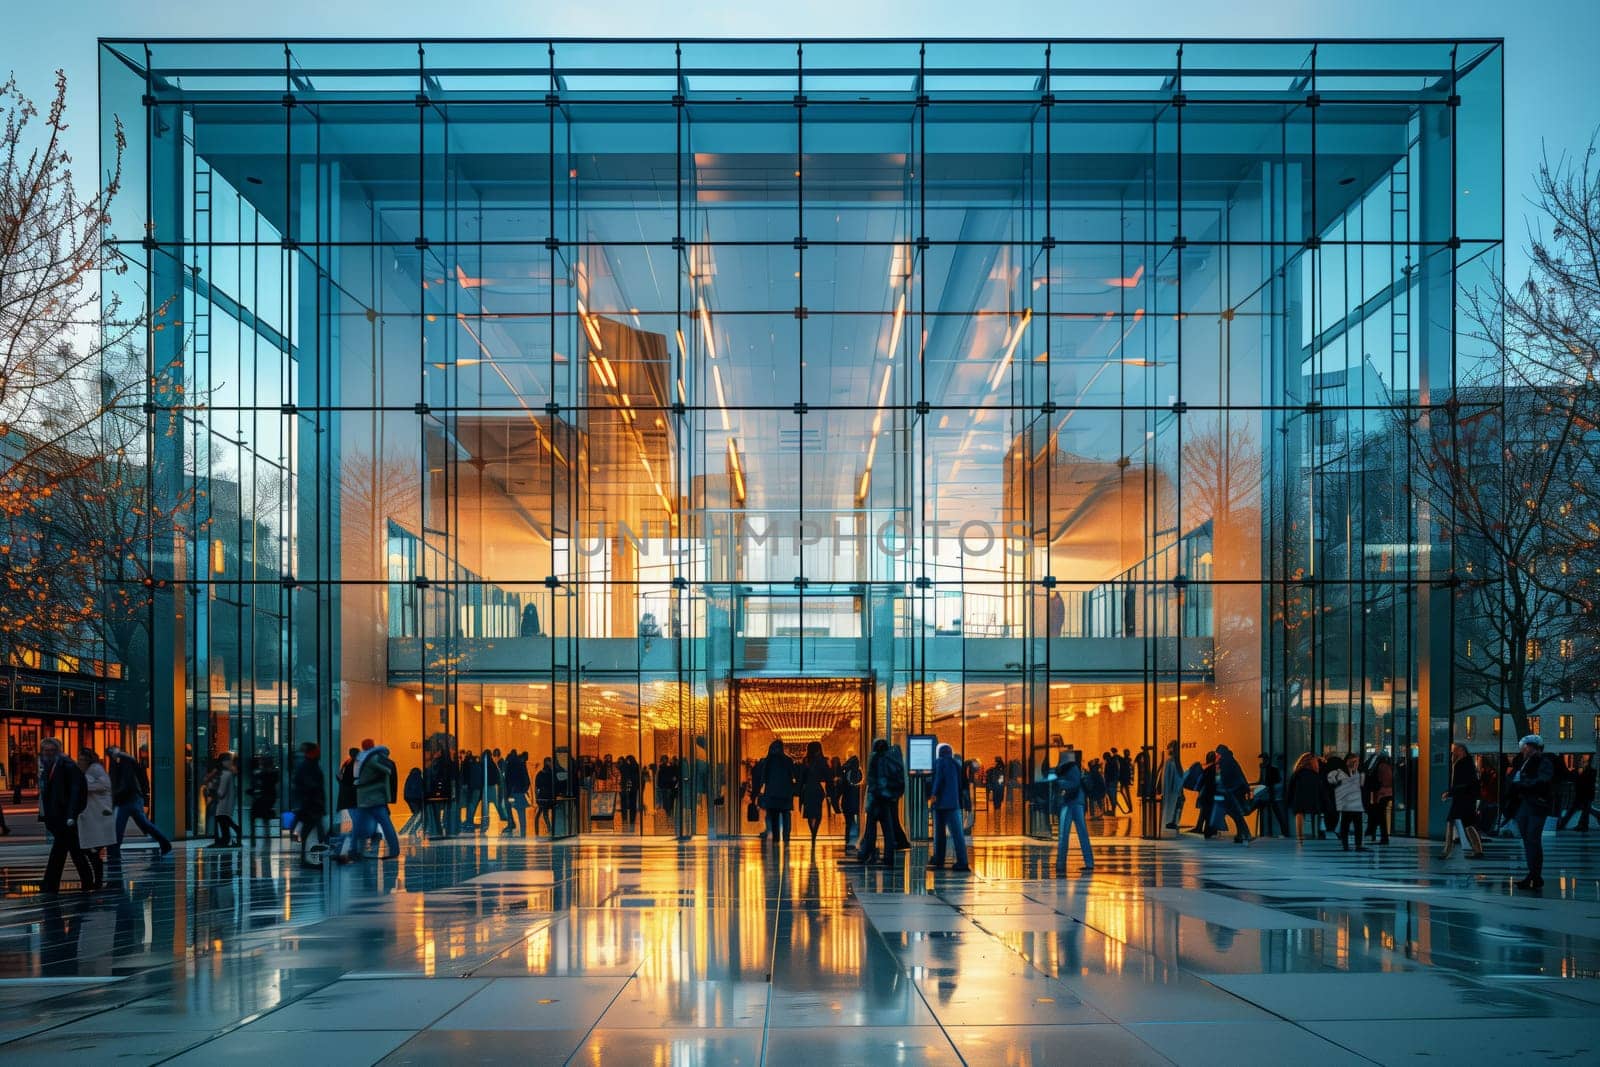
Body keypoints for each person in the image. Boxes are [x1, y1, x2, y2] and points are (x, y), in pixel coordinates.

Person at [38, 738, 95, 894]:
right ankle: (84, 880)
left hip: (64, 818)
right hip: (58, 817)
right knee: (69, 850)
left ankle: (51, 884)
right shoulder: (50, 766)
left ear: (58, 751)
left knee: (63, 851)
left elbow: (76, 792)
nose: (48, 753)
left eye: (51, 750)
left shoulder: (67, 765)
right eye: (45, 750)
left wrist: (71, 815)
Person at [106, 745, 173, 859]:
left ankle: (114, 851)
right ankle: (164, 843)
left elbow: (125, 783)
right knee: (142, 824)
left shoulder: (125, 763)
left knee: (122, 826)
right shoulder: (122, 764)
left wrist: (116, 797)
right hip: (130, 799)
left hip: (128, 799)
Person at [1506, 734, 1555, 890]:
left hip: (1536, 804)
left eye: (1525, 747)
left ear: (1533, 747)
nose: (1523, 750)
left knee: (1532, 839)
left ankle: (1534, 874)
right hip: (1526, 804)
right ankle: (1533, 874)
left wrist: (1522, 784)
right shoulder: (1525, 762)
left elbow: (1543, 780)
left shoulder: (1543, 761)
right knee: (1529, 840)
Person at [340, 740, 399, 862]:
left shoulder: (372, 758)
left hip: (370, 798)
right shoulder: (371, 757)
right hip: (370, 798)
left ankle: (353, 851)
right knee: (382, 823)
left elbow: (387, 771)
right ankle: (393, 850)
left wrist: (362, 782)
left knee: (365, 824)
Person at [855, 738, 905, 867]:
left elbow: (874, 780)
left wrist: (874, 794)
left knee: (871, 829)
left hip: (877, 799)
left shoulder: (876, 759)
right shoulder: (892, 759)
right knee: (888, 831)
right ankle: (889, 857)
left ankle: (866, 853)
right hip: (887, 800)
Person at [76, 748, 116, 891]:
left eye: (81, 759)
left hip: (98, 815)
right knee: (92, 849)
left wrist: (84, 787)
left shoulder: (95, 769)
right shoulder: (92, 769)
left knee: (92, 849)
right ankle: (97, 880)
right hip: (95, 815)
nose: (79, 762)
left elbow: (104, 785)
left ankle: (97, 881)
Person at [928, 743, 971, 872]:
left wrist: (933, 795)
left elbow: (938, 780)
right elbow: (963, 784)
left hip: (940, 803)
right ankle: (962, 862)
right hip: (954, 803)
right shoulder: (956, 764)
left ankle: (939, 859)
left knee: (939, 833)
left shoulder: (939, 762)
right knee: (957, 834)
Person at [1052, 751, 1093, 875]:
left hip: (1072, 803)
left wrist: (1060, 783)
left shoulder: (1071, 769)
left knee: (1064, 834)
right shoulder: (1072, 768)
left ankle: (1061, 863)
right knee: (1080, 833)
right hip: (1076, 803)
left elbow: (1074, 784)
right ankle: (1088, 862)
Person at [1440, 742, 1483, 860]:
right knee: (1468, 824)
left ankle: (1447, 850)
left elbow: (1463, 783)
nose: (1452, 752)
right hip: (1465, 798)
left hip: (1463, 798)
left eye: (1454, 750)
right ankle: (1478, 850)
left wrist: (1450, 792)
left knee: (1451, 821)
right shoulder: (1465, 763)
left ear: (1461, 751)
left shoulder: (1462, 764)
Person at [753, 739, 796, 846]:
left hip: (772, 793)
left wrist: (761, 790)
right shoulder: (788, 760)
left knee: (774, 815)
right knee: (786, 814)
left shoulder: (768, 761)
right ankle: (786, 837)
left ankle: (776, 838)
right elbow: (793, 775)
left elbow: (763, 777)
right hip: (785, 792)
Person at [291, 743, 328, 864]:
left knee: (313, 830)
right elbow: (311, 785)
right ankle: (318, 855)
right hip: (312, 805)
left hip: (311, 804)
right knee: (317, 830)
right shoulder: (309, 766)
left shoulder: (307, 765)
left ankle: (309, 857)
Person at [1212, 745, 1254, 844]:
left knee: (1235, 814)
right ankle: (1242, 834)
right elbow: (1241, 775)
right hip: (1237, 791)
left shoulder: (1225, 762)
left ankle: (1245, 834)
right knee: (1236, 814)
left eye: (1217, 753)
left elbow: (1225, 778)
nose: (1217, 755)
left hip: (1232, 792)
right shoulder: (1231, 760)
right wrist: (1247, 789)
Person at [1327, 753, 1365, 852]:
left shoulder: (1358, 772)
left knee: (1357, 825)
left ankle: (1358, 844)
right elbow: (1332, 781)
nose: (1356, 763)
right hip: (1346, 803)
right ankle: (1346, 845)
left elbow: (1362, 785)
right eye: (1354, 761)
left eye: (1357, 761)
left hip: (1356, 803)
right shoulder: (1340, 772)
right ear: (1348, 761)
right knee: (1346, 824)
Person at [800, 741, 830, 846]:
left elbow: (802, 776)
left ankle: (812, 833)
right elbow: (827, 775)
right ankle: (814, 834)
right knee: (818, 813)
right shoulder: (822, 761)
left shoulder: (806, 761)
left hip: (808, 789)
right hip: (818, 788)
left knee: (809, 813)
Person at [1288, 753, 1324, 841]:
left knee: (1299, 814)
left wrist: (1289, 799)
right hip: (1313, 799)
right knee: (1315, 815)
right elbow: (1320, 788)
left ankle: (1300, 836)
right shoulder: (1314, 774)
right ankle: (1316, 833)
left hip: (1299, 799)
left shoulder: (1297, 773)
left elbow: (1290, 787)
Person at [209, 753, 240, 848]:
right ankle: (228, 837)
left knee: (221, 818)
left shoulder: (225, 774)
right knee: (224, 819)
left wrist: (212, 788)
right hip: (227, 801)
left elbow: (221, 792)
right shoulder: (229, 773)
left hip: (223, 802)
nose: (229, 762)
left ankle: (226, 838)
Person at [1558, 753, 1595, 832]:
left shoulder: (1590, 771)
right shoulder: (1583, 771)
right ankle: (1581, 825)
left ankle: (1565, 824)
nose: (1582, 760)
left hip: (1585, 794)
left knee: (1582, 810)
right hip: (1581, 794)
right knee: (1583, 810)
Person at [248, 755, 280, 843]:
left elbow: (259, 783)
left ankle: (254, 835)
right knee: (265, 818)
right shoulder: (273, 773)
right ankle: (267, 836)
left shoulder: (262, 774)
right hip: (269, 798)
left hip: (263, 798)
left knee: (254, 815)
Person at [1364, 754, 1395, 845]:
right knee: (1379, 816)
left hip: (1383, 794)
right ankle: (1375, 833)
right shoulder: (1388, 766)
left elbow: (1385, 781)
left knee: (1380, 816)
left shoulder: (1382, 766)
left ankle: (1379, 835)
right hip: (1386, 793)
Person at [1255, 753, 1288, 837]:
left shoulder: (1274, 770)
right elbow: (1262, 781)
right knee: (1270, 813)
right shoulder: (1265, 769)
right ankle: (1266, 832)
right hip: (1270, 795)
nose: (1262, 762)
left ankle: (1284, 832)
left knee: (1278, 814)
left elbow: (1278, 783)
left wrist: (1268, 788)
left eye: (1264, 760)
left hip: (1275, 796)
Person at [504, 750, 531, 836]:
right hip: (519, 792)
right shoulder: (521, 763)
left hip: (512, 792)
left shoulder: (509, 764)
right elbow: (526, 778)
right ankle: (523, 830)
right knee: (521, 811)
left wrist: (508, 793)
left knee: (509, 806)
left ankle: (511, 823)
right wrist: (525, 789)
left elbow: (508, 780)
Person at [839, 754, 863, 851]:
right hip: (856, 800)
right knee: (856, 821)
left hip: (847, 801)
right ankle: (855, 839)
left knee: (849, 822)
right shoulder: (859, 773)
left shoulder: (846, 773)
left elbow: (842, 787)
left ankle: (848, 839)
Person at [1159, 742, 1185, 830]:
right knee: (1175, 807)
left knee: (1177, 806)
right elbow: (1167, 779)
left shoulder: (1174, 762)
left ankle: (1173, 822)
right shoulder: (1170, 762)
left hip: (1176, 790)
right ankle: (1171, 822)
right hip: (1173, 791)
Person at [534, 757, 557, 835]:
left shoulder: (540, 774)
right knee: (545, 813)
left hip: (542, 797)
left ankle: (547, 828)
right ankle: (550, 828)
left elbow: (536, 787)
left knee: (542, 813)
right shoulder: (552, 774)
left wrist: (537, 797)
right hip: (549, 796)